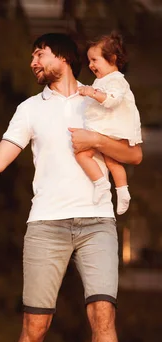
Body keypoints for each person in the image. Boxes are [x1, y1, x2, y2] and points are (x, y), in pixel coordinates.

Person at [0, 33, 142, 342]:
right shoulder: (29, 109)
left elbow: (133, 155)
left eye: (39, 54)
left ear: (63, 57)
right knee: (34, 326)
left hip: (97, 221)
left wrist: (95, 141)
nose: (33, 62)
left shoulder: (100, 96)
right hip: (46, 225)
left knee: (103, 315)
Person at [76, 31, 142, 215]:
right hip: (108, 130)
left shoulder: (117, 80)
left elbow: (112, 100)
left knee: (82, 155)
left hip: (114, 130)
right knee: (112, 164)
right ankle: (122, 192)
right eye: (89, 61)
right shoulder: (102, 80)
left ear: (112, 58)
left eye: (94, 60)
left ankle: (102, 184)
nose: (90, 65)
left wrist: (91, 92)